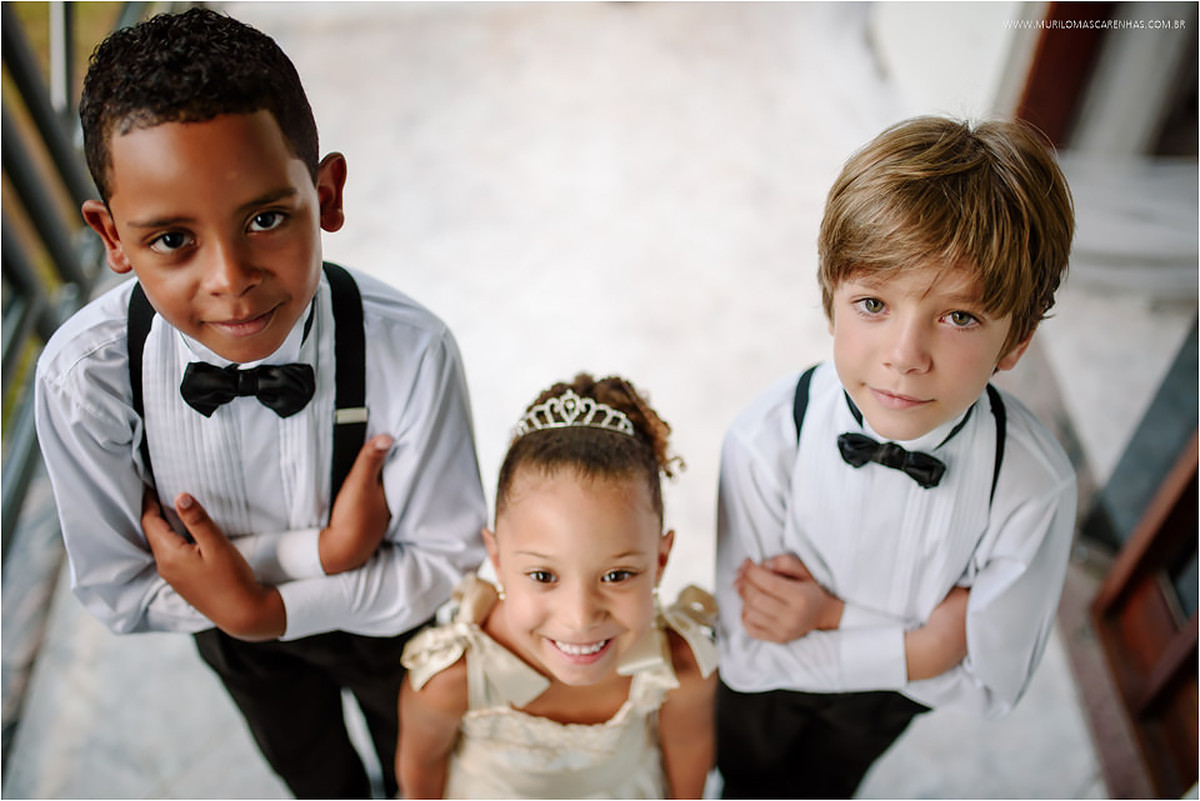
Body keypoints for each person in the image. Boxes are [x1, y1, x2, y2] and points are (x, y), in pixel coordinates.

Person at [33, 8, 487, 798]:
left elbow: (443, 563)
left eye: (267, 219)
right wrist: (313, 563)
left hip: (392, 631)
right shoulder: (86, 378)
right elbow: (119, 586)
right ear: (112, 237)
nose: (230, 277)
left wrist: (261, 603)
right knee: (310, 771)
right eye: (172, 238)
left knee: (429, 768)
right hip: (235, 642)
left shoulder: (409, 350)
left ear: (328, 193)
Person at [713, 116, 1077, 798]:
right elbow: (749, 657)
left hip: (882, 710)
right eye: (873, 302)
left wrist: (829, 617)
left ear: (1017, 340)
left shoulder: (1033, 487)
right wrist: (928, 645)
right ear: (830, 298)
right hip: (766, 703)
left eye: (959, 316)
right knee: (743, 777)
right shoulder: (765, 441)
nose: (904, 356)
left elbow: (990, 685)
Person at [397, 374, 718, 799]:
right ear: (496, 560)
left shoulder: (680, 668)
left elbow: (689, 753)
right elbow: (421, 774)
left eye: (617, 575)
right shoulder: (450, 680)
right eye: (544, 576)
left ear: (660, 560)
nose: (580, 618)